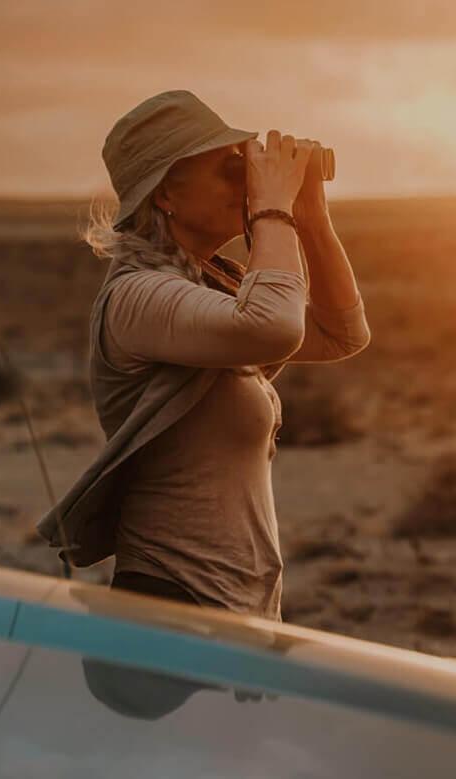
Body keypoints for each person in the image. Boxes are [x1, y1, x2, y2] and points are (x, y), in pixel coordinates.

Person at [37, 90, 371, 620]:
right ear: (167, 193)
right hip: (172, 603)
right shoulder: (136, 298)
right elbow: (276, 326)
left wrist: (311, 215)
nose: (245, 180)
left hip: (235, 609)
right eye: (229, 168)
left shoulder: (209, 291)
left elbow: (341, 333)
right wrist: (272, 209)